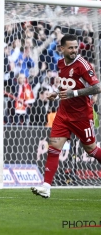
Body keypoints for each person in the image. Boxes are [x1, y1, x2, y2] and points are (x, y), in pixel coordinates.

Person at [31, 34, 101, 198]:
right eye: (70, 47)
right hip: (63, 114)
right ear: (61, 49)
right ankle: (46, 187)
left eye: (76, 47)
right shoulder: (60, 63)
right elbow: (66, 87)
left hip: (82, 115)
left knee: (91, 150)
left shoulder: (82, 65)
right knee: (53, 148)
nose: (74, 50)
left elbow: (97, 88)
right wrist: (56, 94)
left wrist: (74, 93)